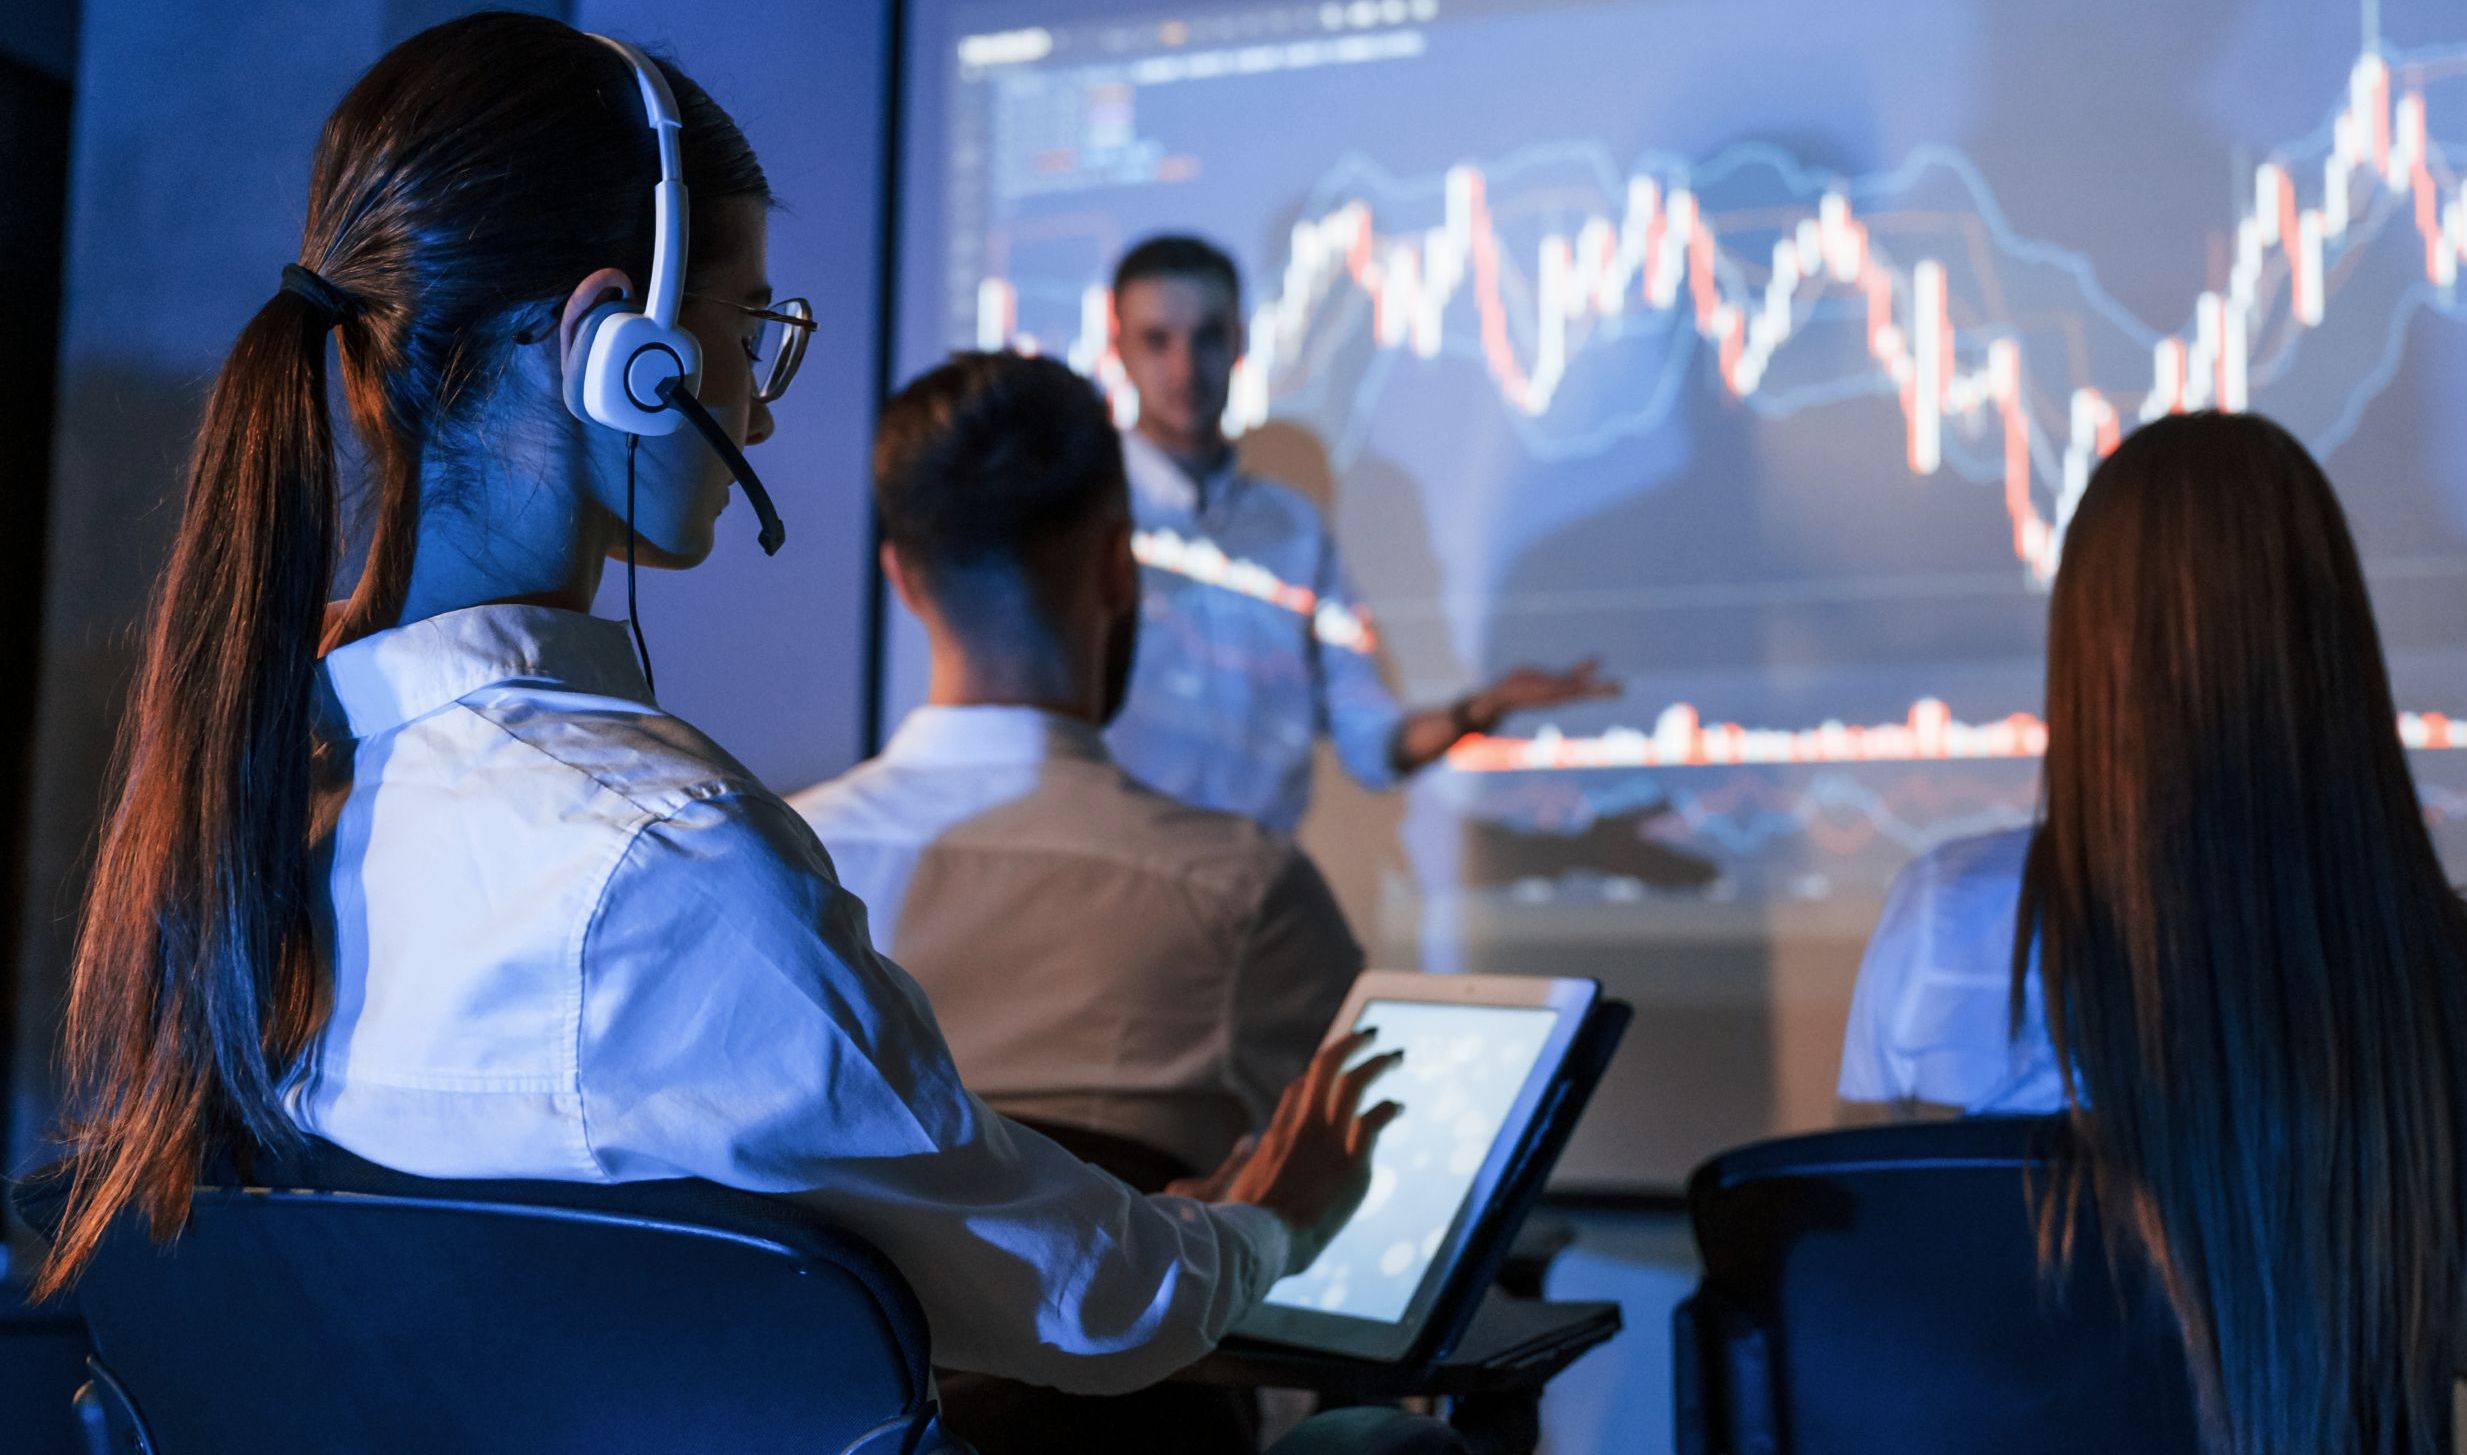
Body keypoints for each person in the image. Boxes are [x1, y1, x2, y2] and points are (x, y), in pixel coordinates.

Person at [30, 14, 1415, 1420]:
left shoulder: (257, 803)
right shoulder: (670, 867)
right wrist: (1268, 1222)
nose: (750, 408)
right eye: (743, 330)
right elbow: (1093, 1302)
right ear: (613, 350)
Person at [1836, 412, 2467, 1453]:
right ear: (2328, 639)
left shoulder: (1943, 918)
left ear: (2085, 648)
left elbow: (1858, 1276)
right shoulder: (2441, 966)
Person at [793, 346, 1377, 1455]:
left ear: (900, 576)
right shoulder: (1243, 891)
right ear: (1120, 565)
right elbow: (1354, 1203)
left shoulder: (784, 866)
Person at [1102, 234, 1620, 834]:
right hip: (1121, 879)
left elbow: (1369, 739)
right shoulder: (1084, 516)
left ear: (1240, 342)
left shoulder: (1292, 528)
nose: (1185, 368)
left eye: (1208, 337)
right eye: (1157, 341)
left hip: (1258, 884)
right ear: (1119, 348)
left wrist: (1481, 709)